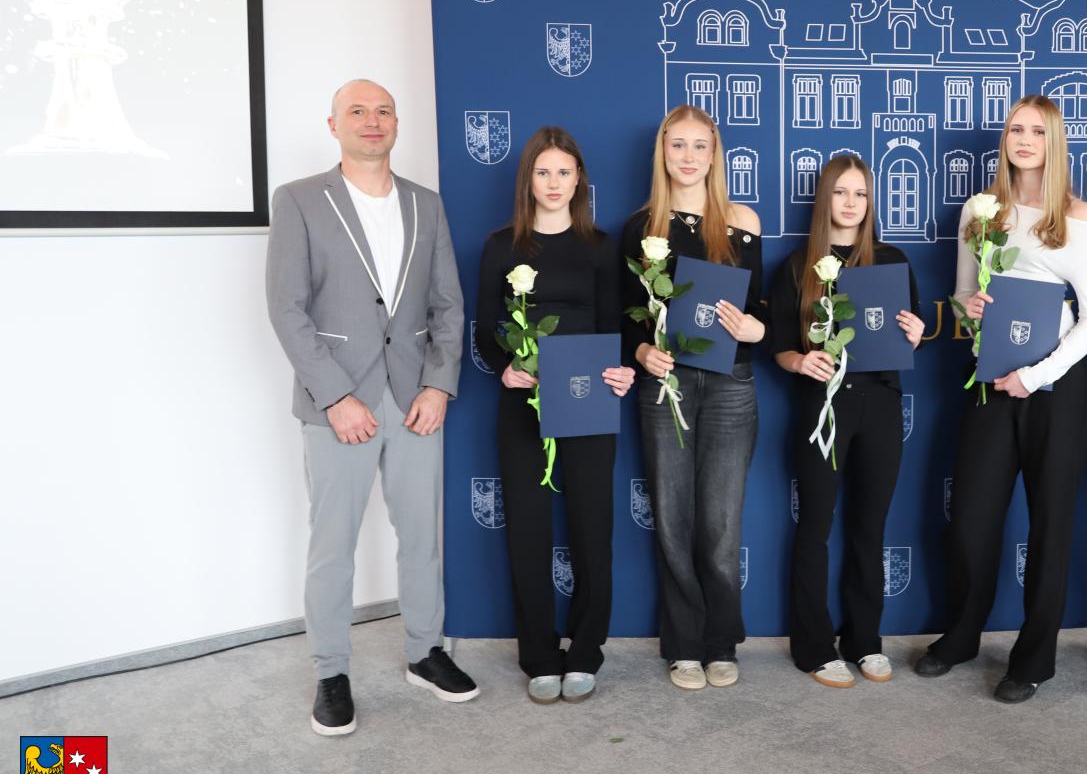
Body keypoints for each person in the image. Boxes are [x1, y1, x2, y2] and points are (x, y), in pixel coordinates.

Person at [266, 78, 478, 737]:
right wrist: (335, 397)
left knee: (421, 537)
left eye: (383, 110)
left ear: (396, 123)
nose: (372, 120)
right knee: (332, 545)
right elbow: (287, 310)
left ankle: (425, 652)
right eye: (356, 111)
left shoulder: (425, 204)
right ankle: (331, 673)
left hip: (415, 398)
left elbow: (448, 305)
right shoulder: (299, 199)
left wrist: (439, 386)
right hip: (339, 404)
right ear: (333, 125)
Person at [913, 94, 1087, 703]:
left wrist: (1037, 374)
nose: (1024, 140)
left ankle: (1033, 660)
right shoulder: (982, 210)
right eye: (1015, 129)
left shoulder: (1078, 217)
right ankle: (961, 636)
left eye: (1037, 131)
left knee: (1051, 524)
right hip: (990, 380)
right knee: (972, 518)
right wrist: (968, 310)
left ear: (1055, 142)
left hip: (1055, 388)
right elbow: (961, 297)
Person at [475, 127, 636, 705]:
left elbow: (616, 325)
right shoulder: (502, 245)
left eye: (564, 172)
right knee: (528, 528)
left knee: (593, 525)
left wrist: (623, 371)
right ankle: (539, 655)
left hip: (590, 396)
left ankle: (586, 650)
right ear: (528, 180)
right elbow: (485, 327)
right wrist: (504, 368)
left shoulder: (600, 245)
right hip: (522, 399)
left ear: (578, 180)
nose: (553, 183)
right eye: (543, 172)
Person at [621, 104, 767, 691]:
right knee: (672, 518)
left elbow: (760, 308)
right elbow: (624, 316)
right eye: (677, 144)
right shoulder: (642, 227)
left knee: (721, 524)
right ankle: (683, 645)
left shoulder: (741, 220)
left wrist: (757, 328)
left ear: (714, 155)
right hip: (667, 384)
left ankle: (720, 642)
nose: (688, 156)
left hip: (731, 383)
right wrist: (641, 352)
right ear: (663, 152)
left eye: (699, 146)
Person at [770, 155, 924, 688]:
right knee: (815, 525)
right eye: (840, 192)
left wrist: (915, 333)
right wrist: (800, 361)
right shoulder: (797, 266)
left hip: (880, 403)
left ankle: (865, 640)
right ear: (825, 199)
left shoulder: (892, 260)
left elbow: (911, 335)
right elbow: (779, 346)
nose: (851, 202)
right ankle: (814, 647)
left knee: (869, 527)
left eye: (860, 193)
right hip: (823, 405)